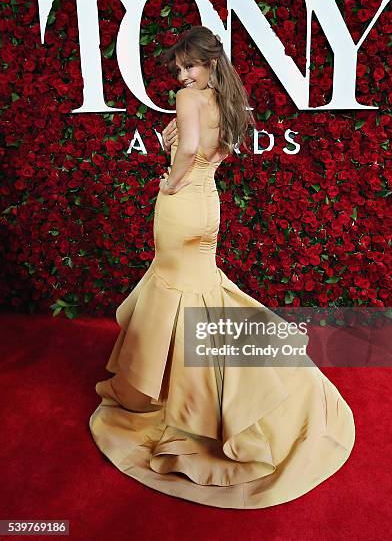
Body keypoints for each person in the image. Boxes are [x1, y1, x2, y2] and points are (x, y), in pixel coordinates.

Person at [89, 26, 355, 509]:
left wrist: (170, 182)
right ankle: (201, 388)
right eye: (179, 69)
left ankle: (188, 403)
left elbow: (189, 149)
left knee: (179, 290)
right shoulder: (228, 99)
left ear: (209, 63)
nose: (183, 75)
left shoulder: (188, 98)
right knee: (199, 292)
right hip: (209, 205)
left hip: (182, 206)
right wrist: (192, 163)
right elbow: (218, 151)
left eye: (189, 66)